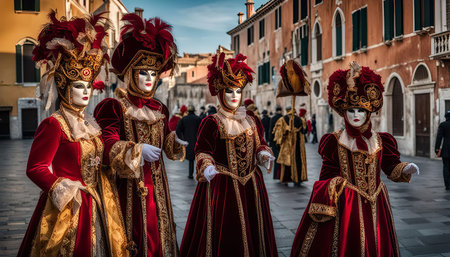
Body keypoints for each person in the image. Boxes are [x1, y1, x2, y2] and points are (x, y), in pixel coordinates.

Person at [18, 11, 128, 256]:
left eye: (88, 86)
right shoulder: (54, 124)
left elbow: (98, 158)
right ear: (64, 86)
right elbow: (35, 167)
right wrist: (64, 189)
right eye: (79, 86)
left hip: (98, 204)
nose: (86, 92)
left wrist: (121, 157)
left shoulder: (91, 124)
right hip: (68, 208)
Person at [290, 62, 419, 257]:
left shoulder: (380, 139)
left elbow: (390, 165)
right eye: (351, 110)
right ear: (344, 112)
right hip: (347, 205)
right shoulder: (334, 141)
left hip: (377, 201)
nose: (356, 115)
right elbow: (326, 175)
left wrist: (405, 168)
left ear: (369, 113)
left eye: (361, 111)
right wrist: (334, 185)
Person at [94, 14, 186, 256]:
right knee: (136, 234)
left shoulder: (159, 109)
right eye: (143, 72)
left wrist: (173, 142)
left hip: (159, 187)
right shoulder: (114, 107)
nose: (149, 79)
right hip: (129, 187)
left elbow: (165, 142)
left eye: (154, 74)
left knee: (160, 232)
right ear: (131, 72)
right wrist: (136, 150)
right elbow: (107, 143)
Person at [180, 53, 278, 257]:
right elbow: (202, 150)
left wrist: (263, 155)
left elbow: (260, 144)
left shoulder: (251, 120)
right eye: (229, 91)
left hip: (252, 185)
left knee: (254, 230)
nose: (234, 96)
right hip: (222, 188)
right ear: (220, 93)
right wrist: (206, 165)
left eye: (238, 91)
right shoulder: (212, 122)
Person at [273, 106, 308, 186]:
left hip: (287, 144)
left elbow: (279, 134)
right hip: (298, 144)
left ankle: (286, 179)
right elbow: (304, 131)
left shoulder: (282, 120)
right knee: (297, 160)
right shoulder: (300, 119)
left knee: (287, 162)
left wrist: (279, 143)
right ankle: (297, 180)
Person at [176, 105, 202, 179]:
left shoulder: (184, 119)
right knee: (197, 158)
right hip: (197, 141)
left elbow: (178, 130)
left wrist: (182, 139)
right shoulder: (198, 119)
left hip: (187, 141)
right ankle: (198, 173)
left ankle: (191, 174)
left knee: (191, 159)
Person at [435, 111, 450, 190]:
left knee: (446, 167)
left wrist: (437, 149)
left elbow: (439, 137)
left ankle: (447, 185)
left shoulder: (443, 125)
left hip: (446, 149)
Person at [269, 105, 283, 179]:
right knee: (283, 158)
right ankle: (283, 174)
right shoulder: (284, 118)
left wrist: (270, 142)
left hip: (274, 141)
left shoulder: (273, 118)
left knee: (276, 158)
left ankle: (277, 175)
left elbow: (271, 130)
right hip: (283, 141)